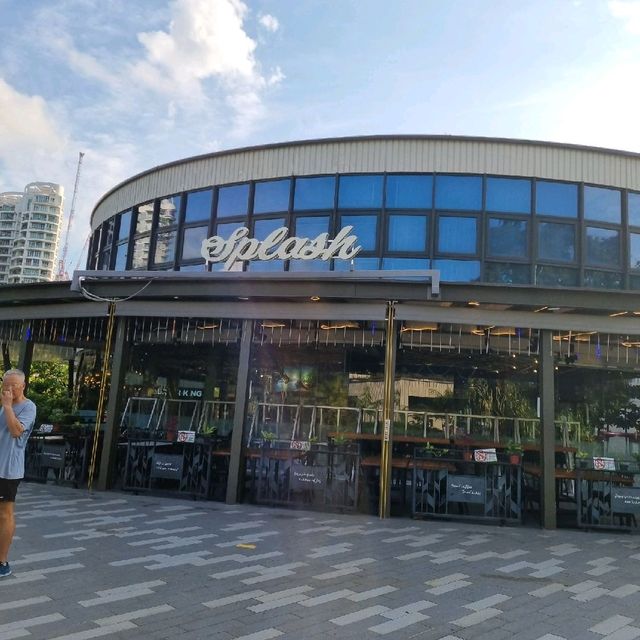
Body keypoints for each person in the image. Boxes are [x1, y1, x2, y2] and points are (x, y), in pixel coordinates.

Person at [0, 368, 37, 578]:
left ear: (22, 386)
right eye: (6, 385)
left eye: (13, 385)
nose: (9, 389)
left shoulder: (28, 407)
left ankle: (2, 561)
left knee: (4, 513)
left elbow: (15, 431)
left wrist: (7, 406)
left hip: (7, 470)